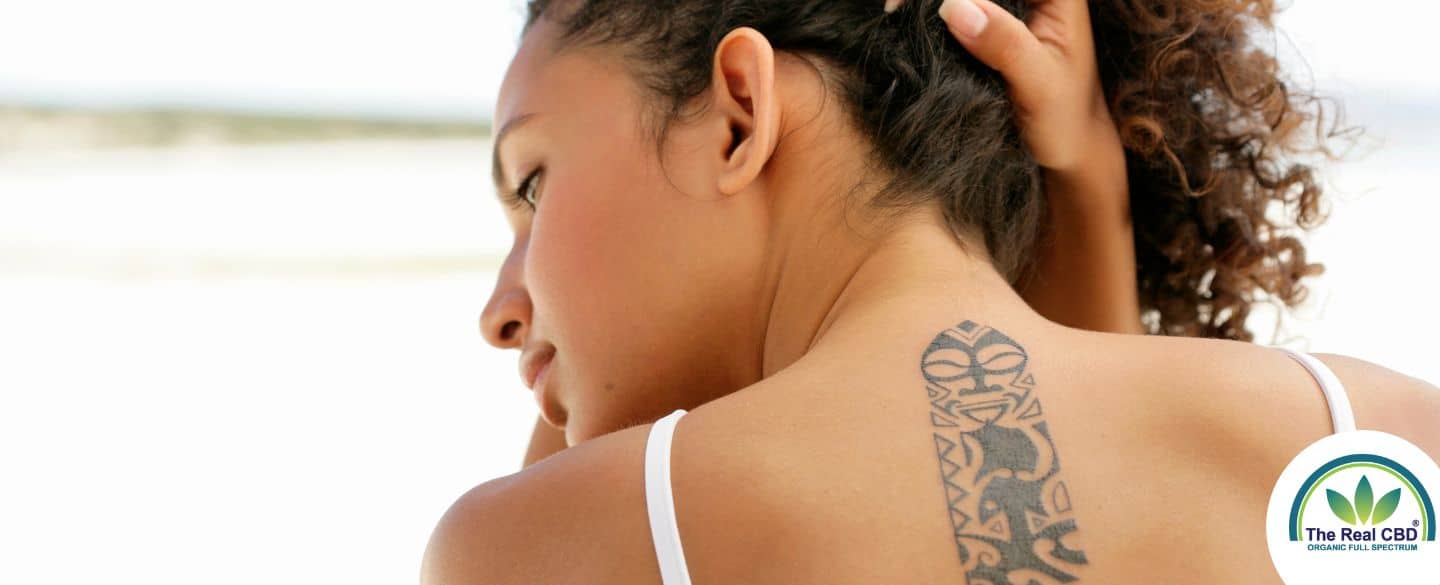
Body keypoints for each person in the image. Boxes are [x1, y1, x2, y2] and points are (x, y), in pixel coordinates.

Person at [425, 0, 1440, 583]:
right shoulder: (1376, 440)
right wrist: (1088, 194)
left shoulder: (539, 547)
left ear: (740, 112)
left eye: (532, 183)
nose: (501, 307)